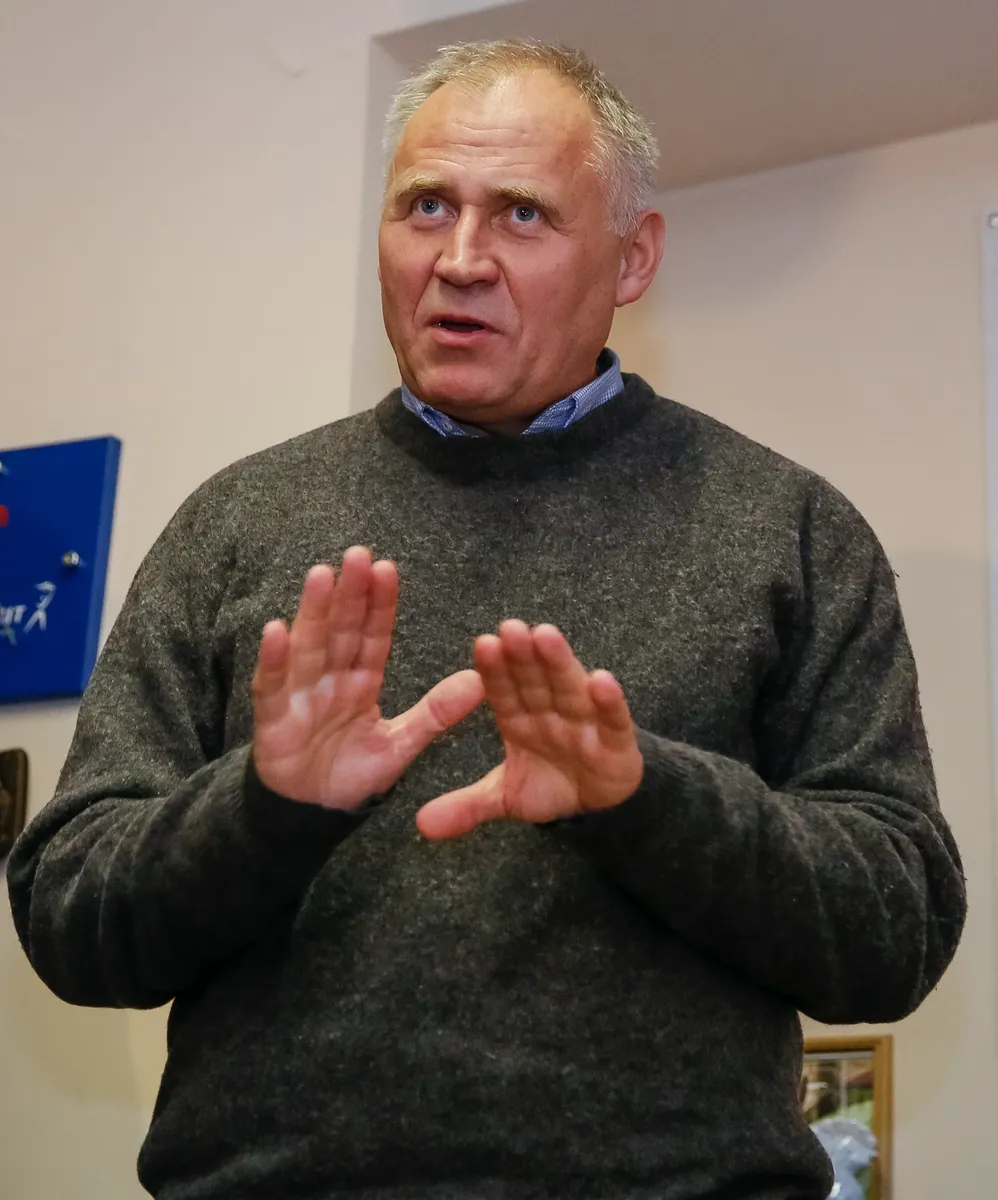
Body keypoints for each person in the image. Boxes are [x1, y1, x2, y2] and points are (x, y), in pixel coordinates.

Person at [8, 39, 965, 1200]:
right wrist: (262, 807)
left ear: (631, 258)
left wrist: (645, 800)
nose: (459, 261)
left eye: (521, 214)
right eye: (425, 206)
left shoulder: (788, 528)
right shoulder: (236, 524)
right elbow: (70, 918)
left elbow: (895, 931)